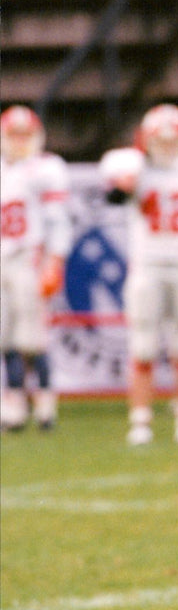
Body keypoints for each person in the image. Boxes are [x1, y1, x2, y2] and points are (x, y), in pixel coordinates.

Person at [99, 104, 178, 445]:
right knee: (142, 347)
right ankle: (140, 420)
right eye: (162, 140)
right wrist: (131, 176)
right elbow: (113, 196)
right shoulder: (133, 166)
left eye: (175, 140)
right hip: (148, 265)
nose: (169, 146)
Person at [0, 105, 71, 432]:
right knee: (5, 336)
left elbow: (58, 221)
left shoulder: (46, 168)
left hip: (29, 257)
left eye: (24, 135)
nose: (19, 142)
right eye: (13, 135)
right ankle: (14, 402)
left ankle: (45, 403)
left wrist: (54, 262)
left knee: (32, 337)